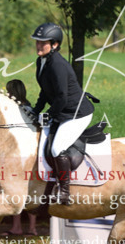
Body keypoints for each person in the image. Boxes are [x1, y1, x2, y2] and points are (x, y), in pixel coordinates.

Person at [30, 22, 94, 204]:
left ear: (55, 45)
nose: (39, 45)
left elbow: (61, 97)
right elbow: (45, 91)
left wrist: (48, 114)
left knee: (58, 148)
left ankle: (65, 191)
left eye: (43, 42)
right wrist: (35, 110)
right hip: (63, 110)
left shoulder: (57, 64)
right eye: (37, 42)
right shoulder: (41, 61)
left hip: (77, 113)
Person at [5, 80, 38, 235]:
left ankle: (17, 227)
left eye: (8, 91)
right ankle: (31, 228)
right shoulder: (30, 107)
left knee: (16, 191)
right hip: (30, 153)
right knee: (30, 190)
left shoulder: (16, 109)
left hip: (19, 154)